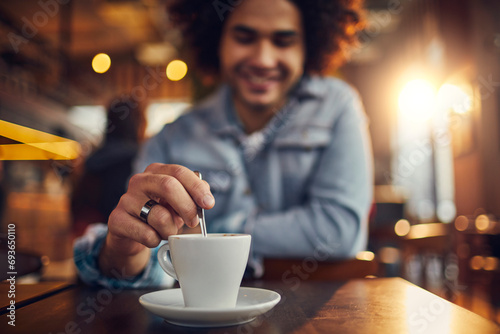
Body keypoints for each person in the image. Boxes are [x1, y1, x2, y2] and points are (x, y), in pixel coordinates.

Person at [74, 0, 373, 288]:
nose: (263, 59)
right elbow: (155, 263)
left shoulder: (337, 106)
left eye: (283, 41)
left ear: (308, 47)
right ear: (217, 39)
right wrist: (122, 253)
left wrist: (221, 233)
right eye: (244, 38)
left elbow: (340, 231)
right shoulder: (171, 139)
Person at [71, 96, 146, 237]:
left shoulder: (92, 160)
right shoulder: (138, 162)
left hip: (89, 241)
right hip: (122, 242)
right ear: (138, 125)